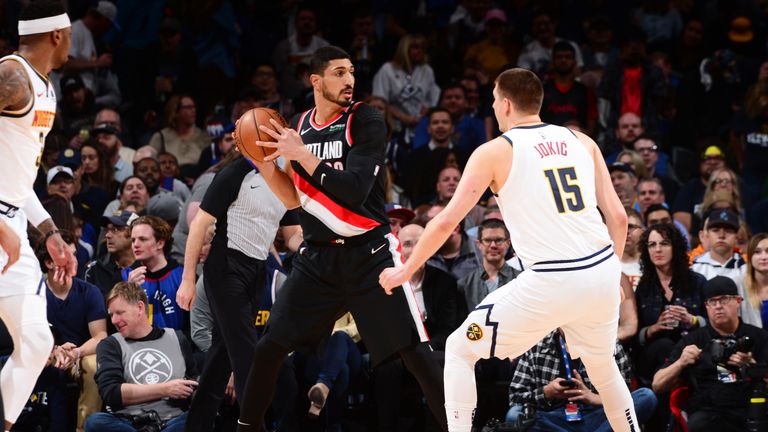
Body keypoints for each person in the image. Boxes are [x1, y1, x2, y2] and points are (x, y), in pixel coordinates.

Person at [379, 68, 639, 431]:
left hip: (552, 280)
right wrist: (610, 274)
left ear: (504, 104)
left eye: (493, 102)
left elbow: (446, 220)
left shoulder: (496, 151)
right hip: (600, 272)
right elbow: (619, 218)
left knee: (459, 349)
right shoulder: (582, 140)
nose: (492, 108)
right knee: (604, 370)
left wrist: (405, 270)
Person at [235, 46, 447, 432]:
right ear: (316, 81)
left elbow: (354, 190)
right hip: (317, 260)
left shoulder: (366, 120)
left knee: (416, 354)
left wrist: (303, 156)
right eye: (338, 73)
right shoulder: (297, 125)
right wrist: (265, 166)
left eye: (351, 72)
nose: (349, 79)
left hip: (370, 255)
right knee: (268, 349)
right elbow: (293, 199)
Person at [175, 149, 300, 431]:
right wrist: (187, 279)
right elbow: (200, 224)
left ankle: (196, 426)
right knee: (247, 355)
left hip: (257, 269)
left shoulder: (286, 180)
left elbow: (292, 234)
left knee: (221, 357)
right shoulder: (234, 173)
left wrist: (309, 247)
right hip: (225, 266)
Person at [0, 2, 77, 429]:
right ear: (57, 35)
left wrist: (48, 232)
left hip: (12, 219)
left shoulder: (43, 86)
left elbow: (16, 176)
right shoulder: (11, 75)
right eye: (70, 36)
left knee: (35, 341)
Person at [652, 276, 768, 432]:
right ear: (706, 306)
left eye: (724, 300)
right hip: (708, 411)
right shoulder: (694, 340)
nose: (718, 306)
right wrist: (681, 362)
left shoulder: (758, 337)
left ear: (738, 301)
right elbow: (657, 385)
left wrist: (752, 367)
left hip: (751, 407)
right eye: (712, 302)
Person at [86, 282, 198, 432]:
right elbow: (111, 393)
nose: (113, 321)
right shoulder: (110, 345)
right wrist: (164, 389)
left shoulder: (177, 338)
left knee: (202, 416)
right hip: (129, 423)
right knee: (95, 422)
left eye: (120, 313)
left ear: (140, 307)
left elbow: (194, 383)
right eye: (111, 315)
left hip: (172, 420)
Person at [506, 330, 657, 431]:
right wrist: (547, 392)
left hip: (598, 416)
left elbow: (624, 398)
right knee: (515, 415)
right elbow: (515, 398)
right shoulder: (537, 346)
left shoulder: (608, 344)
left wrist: (593, 398)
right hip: (554, 418)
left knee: (646, 396)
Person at [634, 223, 706, 383]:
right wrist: (654, 328)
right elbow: (636, 336)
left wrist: (692, 320)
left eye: (664, 243)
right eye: (652, 245)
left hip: (691, 349)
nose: (658, 249)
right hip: (654, 356)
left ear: (676, 247)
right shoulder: (644, 288)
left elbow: (713, 325)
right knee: (664, 345)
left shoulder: (697, 282)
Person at [125, 215, 186, 330]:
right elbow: (118, 322)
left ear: (160, 243)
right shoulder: (124, 276)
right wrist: (128, 292)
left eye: (143, 239)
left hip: (177, 340)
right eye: (133, 240)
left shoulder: (183, 276)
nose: (135, 244)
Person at [458, 218, 520, 311]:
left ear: (508, 243)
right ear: (479, 244)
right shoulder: (465, 284)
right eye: (487, 240)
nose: (493, 245)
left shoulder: (521, 280)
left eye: (499, 240)